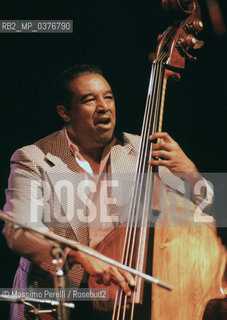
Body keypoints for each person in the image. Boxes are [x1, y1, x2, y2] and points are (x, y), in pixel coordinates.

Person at [3, 64, 213, 319]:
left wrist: (190, 174)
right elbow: (19, 230)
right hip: (59, 300)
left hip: (123, 297)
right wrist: (79, 255)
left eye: (108, 97)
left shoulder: (140, 149)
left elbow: (204, 210)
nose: (104, 106)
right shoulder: (33, 158)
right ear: (65, 112)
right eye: (89, 100)